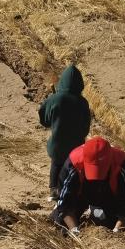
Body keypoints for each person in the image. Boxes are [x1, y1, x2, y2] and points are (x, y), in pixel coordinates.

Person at [51, 137, 125, 235]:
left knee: (106, 223)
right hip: (80, 194)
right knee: (60, 222)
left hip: (108, 196)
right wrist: (74, 229)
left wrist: (116, 230)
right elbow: (64, 203)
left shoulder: (122, 164)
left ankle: (96, 212)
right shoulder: (73, 162)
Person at [38, 65, 91, 202]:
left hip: (57, 143)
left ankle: (53, 190)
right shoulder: (82, 102)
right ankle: (70, 191)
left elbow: (44, 118)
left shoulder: (54, 99)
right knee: (72, 167)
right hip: (76, 145)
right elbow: (86, 126)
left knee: (56, 163)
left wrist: (52, 123)